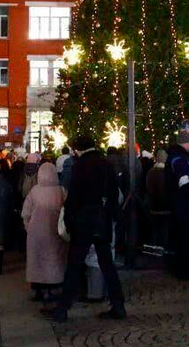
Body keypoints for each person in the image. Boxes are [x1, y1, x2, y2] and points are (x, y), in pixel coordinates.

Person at [43, 134, 125, 322]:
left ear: (78, 149)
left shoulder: (80, 165)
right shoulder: (106, 164)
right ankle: (118, 305)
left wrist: (70, 220)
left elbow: (75, 196)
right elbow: (113, 194)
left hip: (84, 221)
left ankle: (63, 308)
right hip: (102, 220)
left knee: (74, 265)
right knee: (107, 265)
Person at [22, 162, 68, 302]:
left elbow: (26, 212)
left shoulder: (35, 190)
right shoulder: (61, 190)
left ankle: (39, 290)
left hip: (36, 233)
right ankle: (55, 289)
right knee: (55, 259)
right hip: (56, 232)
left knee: (37, 261)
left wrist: (28, 226)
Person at [166, 128, 189, 280]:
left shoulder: (175, 157)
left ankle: (182, 268)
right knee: (185, 238)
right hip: (184, 205)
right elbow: (184, 182)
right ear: (188, 142)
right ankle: (184, 270)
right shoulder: (180, 159)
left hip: (178, 203)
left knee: (181, 238)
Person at [145, 148, 169, 250]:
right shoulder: (168, 172)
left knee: (154, 227)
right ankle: (163, 246)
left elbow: (148, 188)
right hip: (166, 205)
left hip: (153, 204)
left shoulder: (151, 172)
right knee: (164, 227)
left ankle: (153, 245)